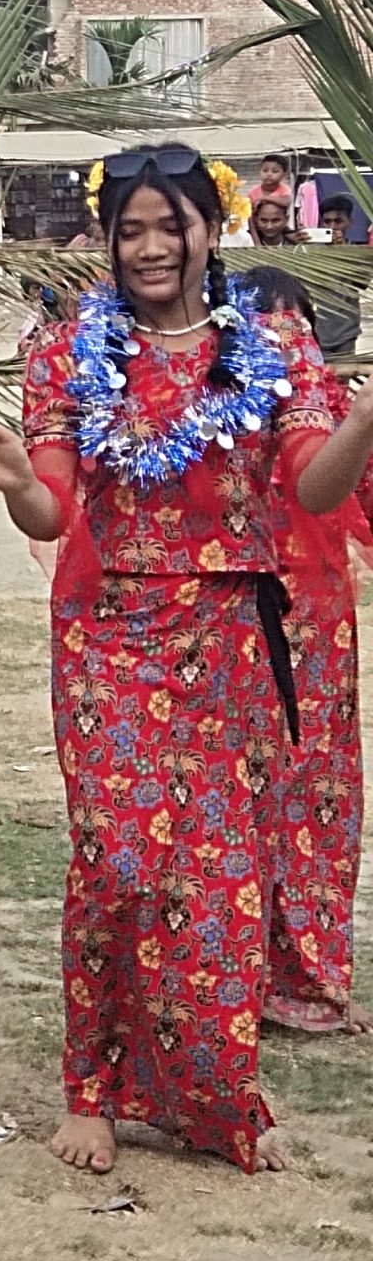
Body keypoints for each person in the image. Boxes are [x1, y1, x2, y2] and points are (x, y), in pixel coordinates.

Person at [0, 145, 373, 1175]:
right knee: (118, 858)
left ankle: (205, 1092)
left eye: (173, 224)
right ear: (107, 240)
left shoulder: (276, 343)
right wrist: (6, 479)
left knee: (214, 875)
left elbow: (308, 488)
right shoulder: (67, 350)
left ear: (212, 229)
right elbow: (53, 501)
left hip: (230, 638)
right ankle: (94, 1087)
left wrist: (369, 413)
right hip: (108, 628)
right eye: (132, 229)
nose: (153, 246)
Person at [237, 267, 370, 1035]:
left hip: (316, 622)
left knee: (317, 797)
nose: (285, 344)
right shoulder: (213, 409)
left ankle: (312, 979)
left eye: (298, 328)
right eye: (266, 329)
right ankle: (232, 969)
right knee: (237, 798)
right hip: (224, 612)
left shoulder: (333, 417)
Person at [311, 194, 362, 357]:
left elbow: (362, 282)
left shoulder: (357, 253)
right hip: (317, 331)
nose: (333, 226)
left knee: (342, 379)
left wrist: (343, 250)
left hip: (346, 332)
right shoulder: (310, 253)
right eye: (327, 221)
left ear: (350, 222)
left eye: (338, 221)